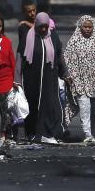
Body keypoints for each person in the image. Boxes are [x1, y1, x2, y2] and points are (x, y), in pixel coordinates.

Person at [62, 15, 95, 143]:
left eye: (90, 27)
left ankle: (92, 132)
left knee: (93, 109)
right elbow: (67, 60)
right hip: (79, 81)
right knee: (85, 106)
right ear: (80, 27)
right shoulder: (73, 42)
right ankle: (87, 133)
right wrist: (71, 77)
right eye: (85, 26)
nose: (88, 29)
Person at [20, 12, 66, 143]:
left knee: (50, 104)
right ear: (36, 25)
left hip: (49, 78)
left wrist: (65, 73)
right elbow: (20, 59)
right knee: (32, 105)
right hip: (31, 79)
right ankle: (32, 133)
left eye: (46, 26)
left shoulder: (53, 37)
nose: (44, 29)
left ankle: (49, 132)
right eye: (41, 27)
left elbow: (59, 56)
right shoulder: (28, 37)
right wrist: (17, 79)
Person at [16, 0, 37, 70]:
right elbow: (22, 47)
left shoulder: (42, 22)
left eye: (34, 10)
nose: (32, 13)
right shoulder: (23, 27)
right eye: (29, 12)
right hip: (29, 63)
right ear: (24, 12)